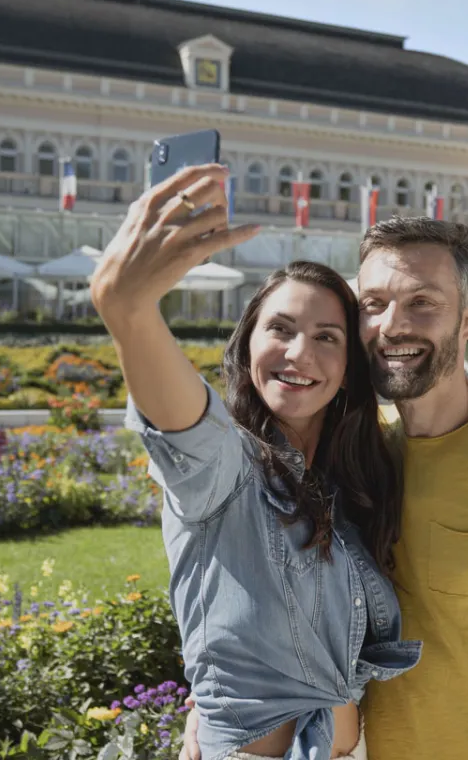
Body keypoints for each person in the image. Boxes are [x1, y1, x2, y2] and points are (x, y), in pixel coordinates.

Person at [183, 214, 468, 759]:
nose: (392, 325)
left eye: (422, 302)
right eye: (373, 303)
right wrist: (211, 707)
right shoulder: (360, 449)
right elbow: (271, 592)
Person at [90, 165, 421, 760]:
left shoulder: (354, 482)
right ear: (248, 344)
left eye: (327, 337)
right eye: (281, 328)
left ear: (348, 367)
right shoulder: (226, 468)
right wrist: (130, 313)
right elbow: (185, 429)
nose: (299, 352)